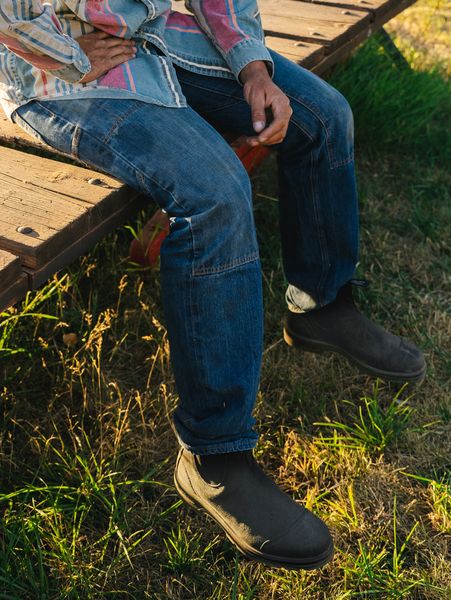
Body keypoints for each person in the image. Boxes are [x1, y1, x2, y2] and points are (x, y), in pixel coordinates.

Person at [0, 0, 426, 569]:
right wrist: (69, 54)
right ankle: (214, 458)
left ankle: (321, 305)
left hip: (152, 34)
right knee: (215, 192)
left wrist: (253, 69)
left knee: (322, 114)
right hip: (55, 74)